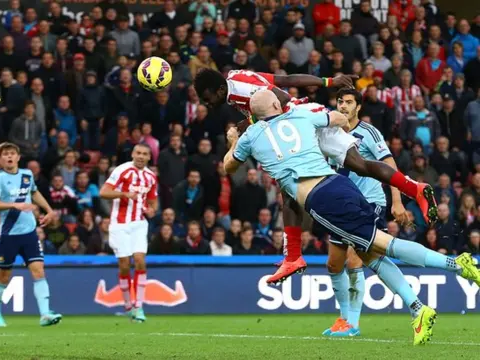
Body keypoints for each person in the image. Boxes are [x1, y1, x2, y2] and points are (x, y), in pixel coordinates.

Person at [223, 89, 480, 345]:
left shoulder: (252, 136)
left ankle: (457, 265)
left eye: (349, 102)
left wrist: (234, 139)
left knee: (381, 246)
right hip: (340, 184)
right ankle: (416, 308)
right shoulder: (299, 116)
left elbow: (229, 166)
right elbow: (336, 119)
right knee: (370, 254)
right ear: (277, 106)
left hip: (325, 199)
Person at [193, 68, 437, 284]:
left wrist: (247, 128)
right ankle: (415, 188)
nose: (208, 104)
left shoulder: (239, 93)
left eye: (208, 99)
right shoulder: (236, 75)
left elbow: (281, 100)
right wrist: (330, 82)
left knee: (292, 186)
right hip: (305, 117)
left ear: (220, 89)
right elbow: (285, 79)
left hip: (301, 124)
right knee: (358, 165)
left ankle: (293, 256)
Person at [322, 88, 407, 337]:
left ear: (358, 107)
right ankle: (343, 318)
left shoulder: (369, 133)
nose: (344, 106)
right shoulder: (328, 131)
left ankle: (353, 324)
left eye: (349, 102)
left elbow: (390, 166)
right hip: (341, 205)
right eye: (340, 101)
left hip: (369, 202)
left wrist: (397, 200)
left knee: (354, 259)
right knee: (333, 264)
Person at [0, 142, 62, 328]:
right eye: (5, 154)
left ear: (18, 157)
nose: (9, 157)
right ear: (0, 158)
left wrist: (49, 210)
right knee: (4, 277)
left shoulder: (27, 175)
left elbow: (35, 193)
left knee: (38, 270)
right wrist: (15, 205)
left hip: (29, 233)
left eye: (12, 153)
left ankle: (45, 313)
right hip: (8, 234)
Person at [99, 144, 158, 322]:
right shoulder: (122, 170)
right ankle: (127, 305)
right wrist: (124, 194)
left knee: (140, 260)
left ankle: (139, 306)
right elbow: (104, 192)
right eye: (138, 153)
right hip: (119, 224)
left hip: (139, 223)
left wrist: (152, 210)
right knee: (124, 264)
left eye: (144, 154)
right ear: (132, 154)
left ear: (149, 157)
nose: (140, 156)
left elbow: (153, 201)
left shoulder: (151, 177)